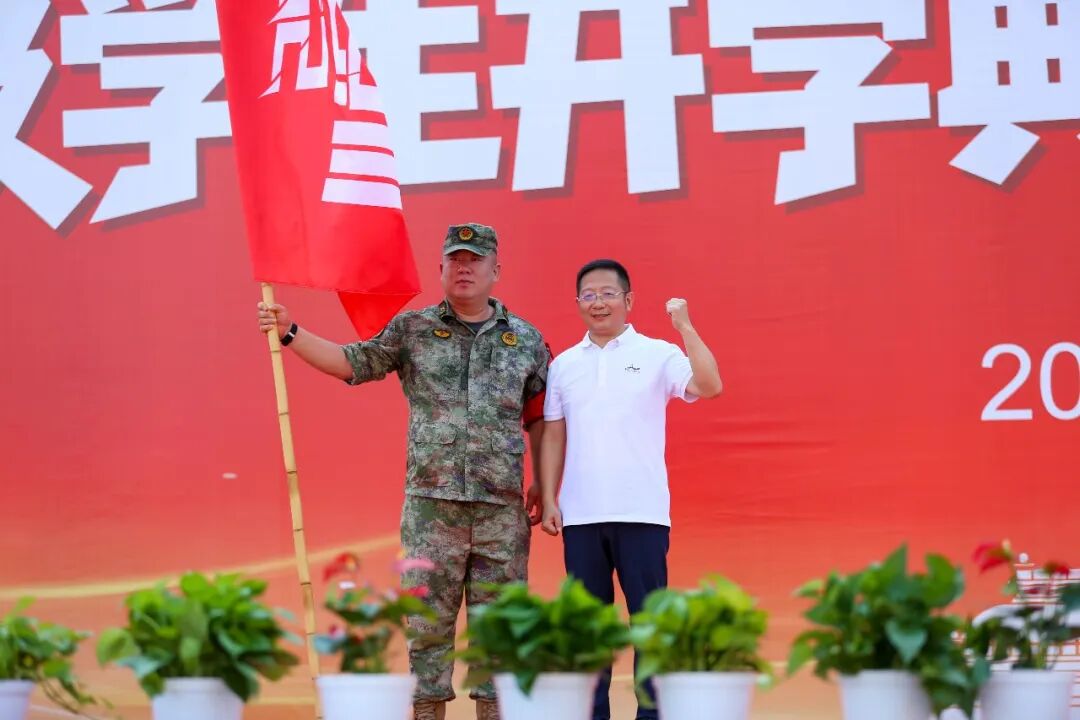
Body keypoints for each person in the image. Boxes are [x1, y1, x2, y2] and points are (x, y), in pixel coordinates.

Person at [258, 224, 549, 720]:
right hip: (431, 509)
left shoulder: (525, 339)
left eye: (475, 260)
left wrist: (543, 480)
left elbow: (541, 418)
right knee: (427, 627)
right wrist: (290, 332)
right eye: (455, 260)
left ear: (495, 270)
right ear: (441, 269)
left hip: (501, 511)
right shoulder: (412, 329)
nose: (464, 269)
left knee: (501, 631)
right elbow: (352, 362)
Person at [539, 258, 723, 720]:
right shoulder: (564, 365)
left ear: (628, 300)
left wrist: (685, 327)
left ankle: (653, 714)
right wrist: (550, 497)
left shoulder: (659, 353)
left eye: (607, 293)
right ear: (577, 302)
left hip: (642, 513)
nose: (598, 303)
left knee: (649, 624)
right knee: (591, 628)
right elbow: (554, 434)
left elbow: (710, 385)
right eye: (588, 295)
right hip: (581, 516)